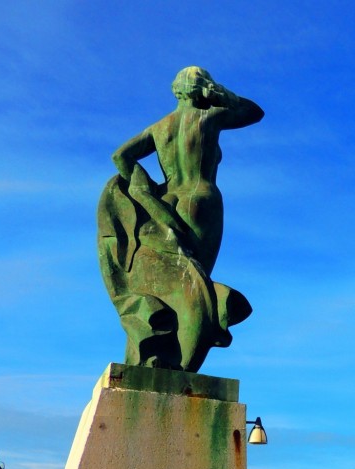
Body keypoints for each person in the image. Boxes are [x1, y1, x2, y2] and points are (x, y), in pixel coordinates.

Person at [97, 68, 263, 372]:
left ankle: (153, 355)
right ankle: (183, 367)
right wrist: (221, 94)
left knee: (177, 281)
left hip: (169, 201)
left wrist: (143, 189)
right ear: (201, 89)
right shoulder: (208, 117)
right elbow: (253, 112)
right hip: (202, 200)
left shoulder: (160, 127)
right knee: (195, 283)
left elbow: (121, 156)